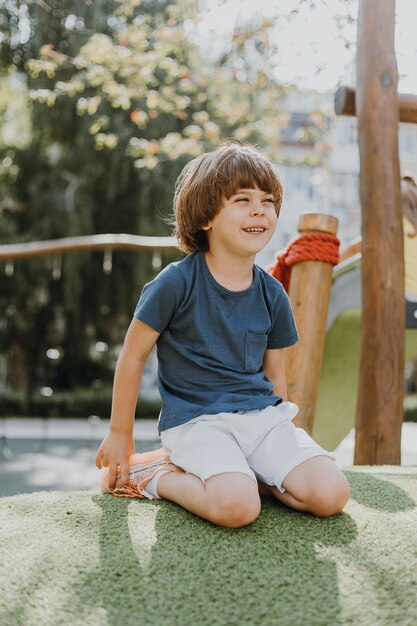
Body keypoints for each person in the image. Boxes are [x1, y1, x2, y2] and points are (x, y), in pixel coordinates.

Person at [96, 143, 351, 528]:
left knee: (332, 494)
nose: (259, 209)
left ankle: (248, 473)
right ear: (205, 217)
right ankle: (155, 476)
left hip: (262, 420)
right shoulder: (175, 284)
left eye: (268, 201)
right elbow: (132, 357)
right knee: (238, 508)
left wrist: (278, 441)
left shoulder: (272, 293)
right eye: (242, 199)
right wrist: (120, 433)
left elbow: (275, 375)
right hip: (198, 423)